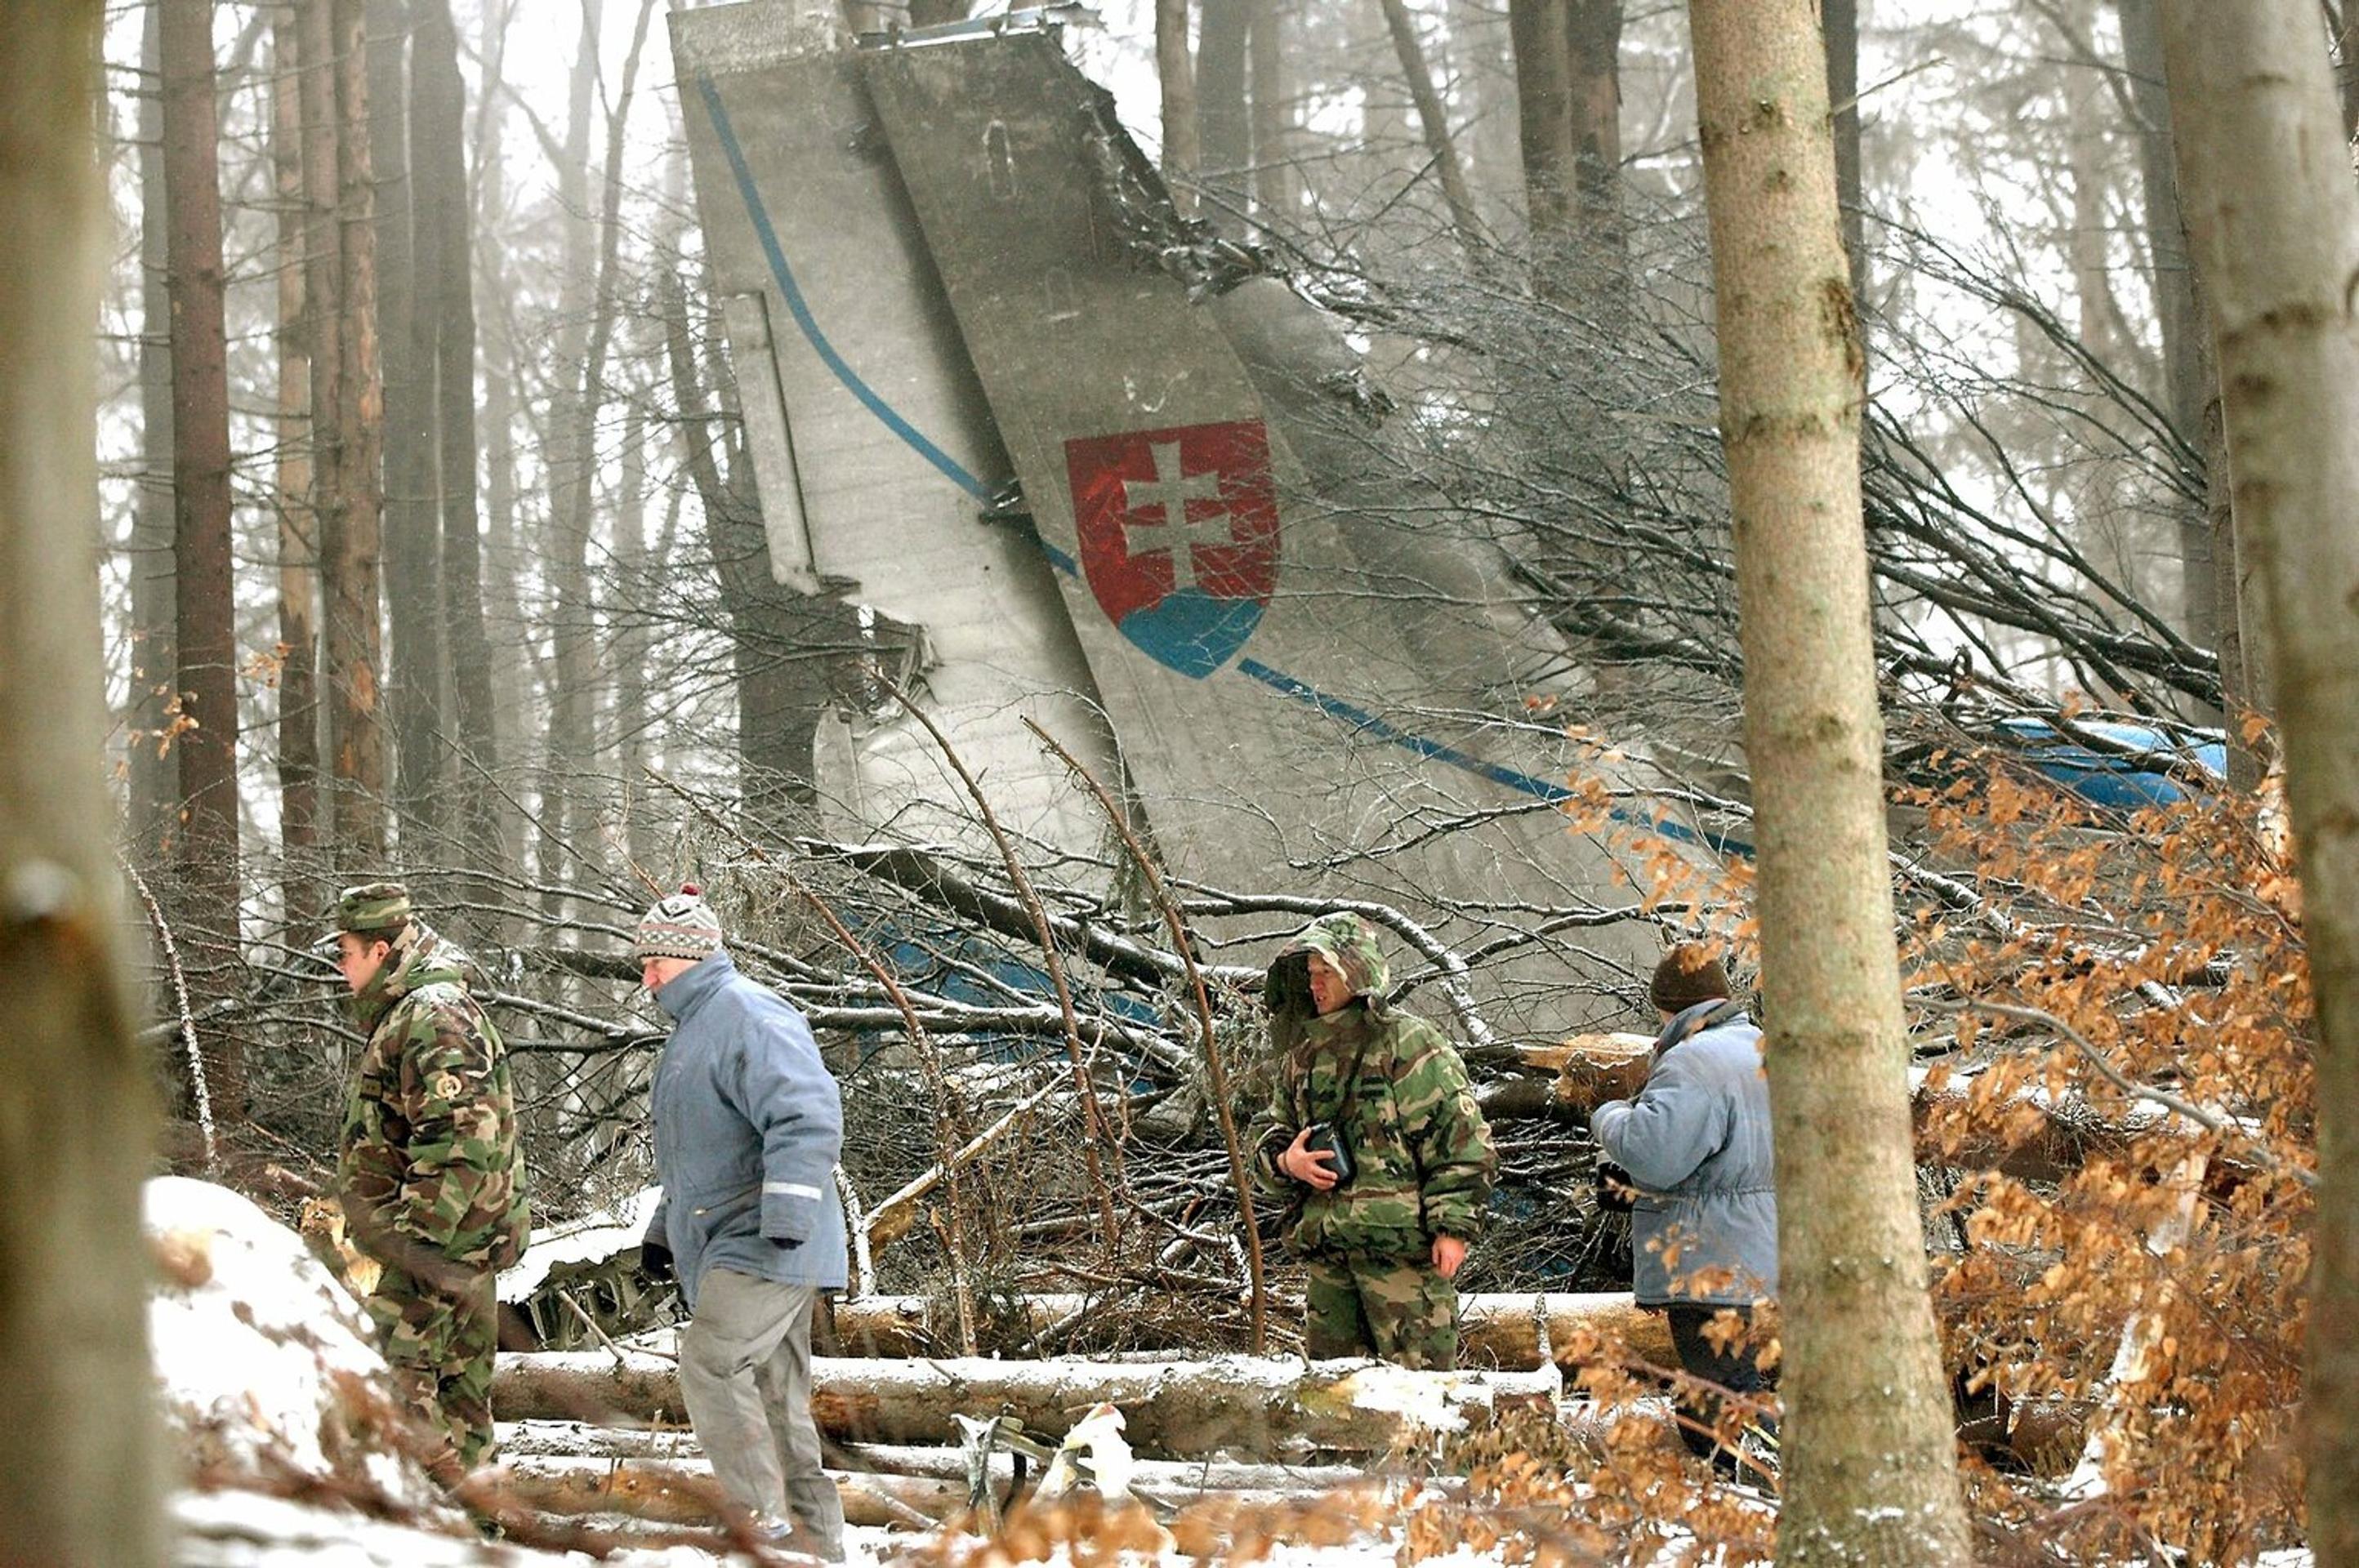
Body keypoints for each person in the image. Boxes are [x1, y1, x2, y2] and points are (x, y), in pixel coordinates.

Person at [635, 885, 848, 1558]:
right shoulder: (697, 1031)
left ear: (689, 956)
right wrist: (663, 1232)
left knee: (711, 1362)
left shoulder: (749, 1014)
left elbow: (808, 1115)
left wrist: (786, 1214)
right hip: (743, 1235)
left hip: (768, 1238)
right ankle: (817, 1548)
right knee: (776, 1401)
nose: (647, 979)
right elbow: (702, 1155)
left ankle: (763, 1523)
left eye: (654, 964)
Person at [331, 882, 529, 1477]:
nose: (341, 969)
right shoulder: (413, 1012)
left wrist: (413, 1246)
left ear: (381, 951)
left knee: (389, 1381)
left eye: (346, 953)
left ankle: (433, 1513)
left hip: (440, 1248)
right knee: (459, 1405)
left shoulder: (432, 1014)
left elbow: (460, 1142)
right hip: (455, 1246)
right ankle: (474, 1520)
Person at [1246, 911, 1496, 1368]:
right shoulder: (1302, 1054)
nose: (1315, 985)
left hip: (1404, 1260)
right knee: (1334, 1398)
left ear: (1355, 973)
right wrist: (1288, 1162)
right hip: (1330, 1259)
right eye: (1310, 973)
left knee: (1420, 1397)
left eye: (1326, 973)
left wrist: (1453, 1228)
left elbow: (1460, 1140)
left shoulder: (1410, 1044)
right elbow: (1267, 1133)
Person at [1587, 943, 1777, 1470]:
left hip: (1702, 1255)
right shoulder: (1760, 1048)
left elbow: (1653, 1155)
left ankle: (1776, 1486)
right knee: (1714, 1394)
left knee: (1721, 1401)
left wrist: (1609, 1116)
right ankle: (1755, 1486)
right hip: (1754, 1248)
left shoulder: (1692, 1061)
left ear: (1667, 1005)